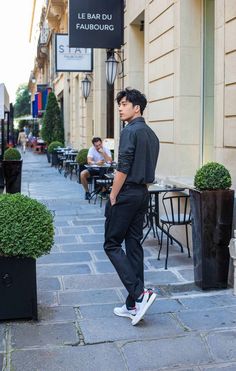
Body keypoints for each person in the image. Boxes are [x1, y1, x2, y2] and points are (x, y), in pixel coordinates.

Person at [104, 88, 159, 326]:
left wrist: (113, 195)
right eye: (119, 104)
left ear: (137, 107)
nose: (120, 108)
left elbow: (123, 168)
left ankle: (139, 294)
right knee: (133, 244)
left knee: (111, 243)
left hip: (126, 194)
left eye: (124, 104)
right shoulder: (152, 134)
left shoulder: (129, 131)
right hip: (142, 194)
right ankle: (133, 304)